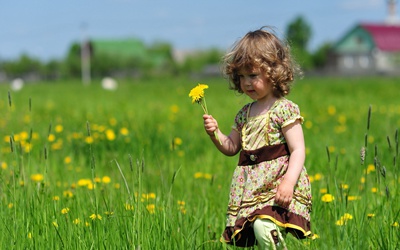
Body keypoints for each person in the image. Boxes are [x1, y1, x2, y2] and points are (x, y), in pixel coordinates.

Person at [202, 27, 312, 249]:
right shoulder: (244, 113)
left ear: (273, 72)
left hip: (278, 184)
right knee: (257, 230)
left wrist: (289, 183)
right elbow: (232, 147)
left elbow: (298, 149)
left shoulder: (284, 109)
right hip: (252, 189)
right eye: (242, 77)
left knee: (263, 226)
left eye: (253, 75)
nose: (247, 83)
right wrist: (215, 134)